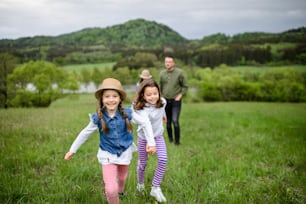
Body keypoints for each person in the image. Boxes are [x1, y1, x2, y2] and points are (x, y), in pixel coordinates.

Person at [64, 78, 135, 204]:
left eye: (114, 96)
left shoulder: (127, 114)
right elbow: (84, 134)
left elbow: (145, 122)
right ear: (102, 99)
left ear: (120, 99)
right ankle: (114, 198)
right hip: (107, 154)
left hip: (124, 152)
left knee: (122, 178)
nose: (111, 99)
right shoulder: (98, 118)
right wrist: (72, 150)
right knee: (110, 189)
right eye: (107, 96)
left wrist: (151, 141)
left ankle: (121, 192)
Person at [132, 79, 168, 203]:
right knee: (143, 163)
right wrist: (149, 143)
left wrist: (164, 117)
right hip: (144, 138)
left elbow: (162, 111)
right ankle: (140, 184)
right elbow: (146, 125)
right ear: (143, 95)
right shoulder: (141, 109)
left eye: (155, 93)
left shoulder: (163, 102)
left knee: (163, 159)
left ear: (159, 92)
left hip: (158, 136)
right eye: (149, 94)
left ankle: (155, 187)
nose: (153, 97)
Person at [159, 55, 188, 145]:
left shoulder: (180, 73)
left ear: (173, 63)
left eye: (169, 62)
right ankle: (171, 140)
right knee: (167, 122)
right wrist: (160, 97)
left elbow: (185, 86)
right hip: (165, 101)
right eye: (166, 62)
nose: (167, 63)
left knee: (175, 121)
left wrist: (180, 95)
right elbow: (160, 87)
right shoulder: (162, 74)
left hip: (176, 101)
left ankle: (177, 142)